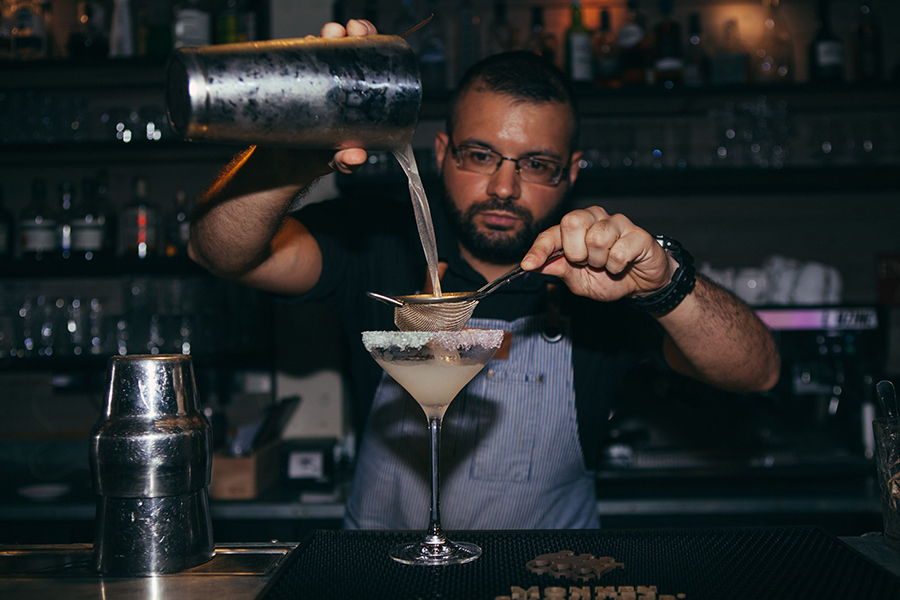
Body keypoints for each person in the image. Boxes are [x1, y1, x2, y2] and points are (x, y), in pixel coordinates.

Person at [189, 19, 780, 530]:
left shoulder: (604, 275)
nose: (503, 186)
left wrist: (665, 284)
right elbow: (221, 252)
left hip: (547, 574)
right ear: (441, 152)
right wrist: (290, 153)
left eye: (537, 164)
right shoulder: (374, 238)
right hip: (385, 574)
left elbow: (759, 372)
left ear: (571, 172)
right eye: (479, 155)